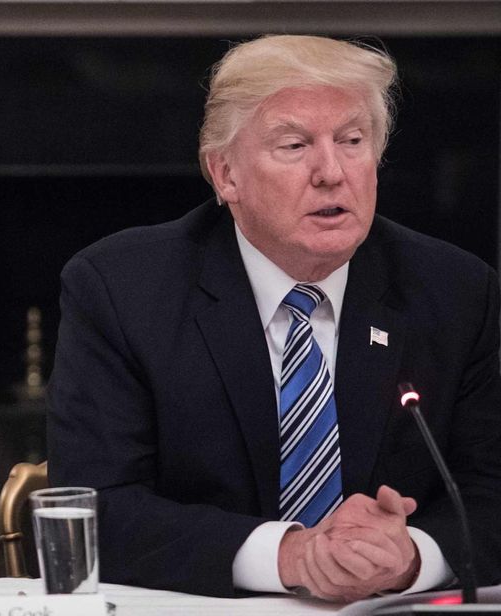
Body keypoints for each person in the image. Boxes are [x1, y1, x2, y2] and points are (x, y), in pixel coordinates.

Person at [48, 34, 501, 601]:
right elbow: (95, 505)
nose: (332, 172)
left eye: (352, 141)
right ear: (225, 175)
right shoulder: (121, 288)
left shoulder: (457, 291)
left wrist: (413, 557)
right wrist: (289, 555)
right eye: (294, 145)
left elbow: (490, 490)